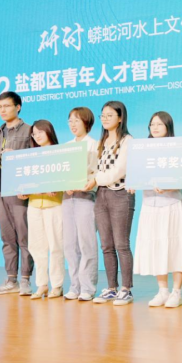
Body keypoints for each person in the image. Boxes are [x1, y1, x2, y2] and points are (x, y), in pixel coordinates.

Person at [131, 112, 182, 308]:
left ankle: (177, 292)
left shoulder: (178, 149)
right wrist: (132, 182)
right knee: (156, 247)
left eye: (159, 124)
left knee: (175, 246)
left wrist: (169, 186)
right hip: (150, 205)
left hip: (171, 204)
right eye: (152, 124)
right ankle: (162, 291)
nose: (155, 127)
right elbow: (136, 174)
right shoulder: (142, 150)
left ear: (168, 126)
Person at [0, 91, 34, 296]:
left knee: (24, 236)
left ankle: (25, 279)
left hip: (19, 190)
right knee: (7, 237)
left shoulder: (29, 130)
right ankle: (11, 279)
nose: (3, 110)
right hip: (0, 191)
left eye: (7, 106)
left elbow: (36, 158)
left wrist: (17, 156)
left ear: (18, 107)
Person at [93, 101, 136, 306]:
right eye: (103, 115)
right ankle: (111, 288)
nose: (105, 118)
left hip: (120, 194)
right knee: (106, 245)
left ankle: (126, 289)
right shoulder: (100, 141)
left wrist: (95, 180)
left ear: (120, 118)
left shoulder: (127, 141)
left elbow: (120, 170)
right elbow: (94, 168)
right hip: (100, 195)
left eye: (110, 115)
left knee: (121, 244)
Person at [18, 120, 65, 300]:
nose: (37, 136)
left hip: (54, 205)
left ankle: (57, 285)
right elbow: (23, 183)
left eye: (40, 132)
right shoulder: (30, 156)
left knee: (56, 246)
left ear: (49, 131)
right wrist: (22, 191)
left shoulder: (60, 154)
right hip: (34, 205)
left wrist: (55, 187)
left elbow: (65, 179)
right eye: (34, 133)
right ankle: (42, 284)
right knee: (36, 246)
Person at [63, 107, 99, 301]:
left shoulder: (94, 145)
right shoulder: (67, 147)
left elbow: (97, 174)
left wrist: (84, 184)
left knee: (87, 243)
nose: (73, 124)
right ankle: (74, 285)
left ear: (87, 122)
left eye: (77, 120)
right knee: (70, 244)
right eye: (70, 120)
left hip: (86, 198)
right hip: (67, 199)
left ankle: (88, 287)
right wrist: (65, 185)